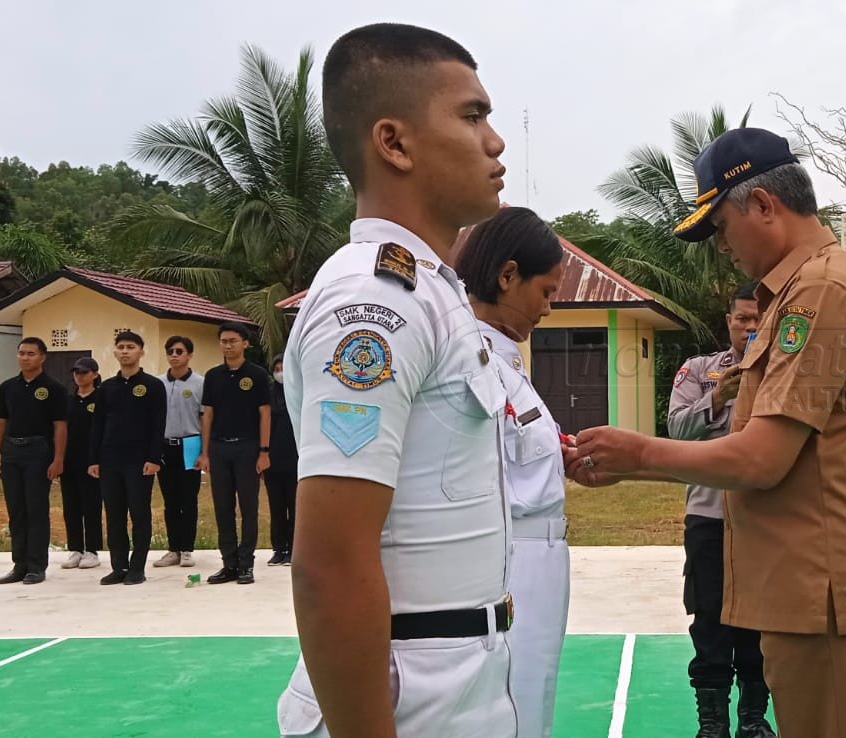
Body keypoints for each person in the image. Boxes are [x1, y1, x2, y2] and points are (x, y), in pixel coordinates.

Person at [570, 128, 846, 738]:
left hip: (822, 587)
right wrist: (628, 464)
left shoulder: (819, 292)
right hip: (803, 584)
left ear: (763, 206)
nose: (721, 246)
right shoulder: (794, 292)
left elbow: (762, 459)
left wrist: (637, 451)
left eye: (721, 226)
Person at [276, 23, 516, 738]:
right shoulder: (375, 304)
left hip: (457, 680)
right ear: (395, 143)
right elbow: (328, 566)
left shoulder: (432, 291)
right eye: (473, 116)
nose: (495, 141)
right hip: (408, 699)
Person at [454, 206, 572, 738]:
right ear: (507, 276)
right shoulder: (467, 359)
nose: (549, 307)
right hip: (509, 560)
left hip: (540, 556)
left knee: (534, 692)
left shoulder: (507, 362)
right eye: (545, 292)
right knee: (511, 703)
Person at [667, 281, 775, 738]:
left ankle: (753, 719)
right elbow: (675, 429)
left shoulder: (784, 373)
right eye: (742, 318)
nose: (750, 327)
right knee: (709, 621)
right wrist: (718, 398)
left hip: (764, 519)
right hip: (709, 518)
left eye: (758, 319)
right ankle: (711, 724)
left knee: (760, 622)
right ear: (728, 321)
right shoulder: (698, 371)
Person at [88, 331, 168, 586]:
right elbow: (97, 425)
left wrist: (154, 458)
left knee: (139, 514)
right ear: (115, 352)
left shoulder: (153, 386)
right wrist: (94, 459)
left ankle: (137, 568)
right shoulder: (106, 388)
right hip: (110, 460)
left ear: (141, 351)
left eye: (130, 347)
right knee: (114, 515)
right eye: (120, 347)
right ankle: (118, 566)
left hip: (140, 461)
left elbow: (158, 424)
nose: (125, 351)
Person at [196, 323, 271, 586]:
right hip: (219, 447)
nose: (228, 345)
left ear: (245, 344)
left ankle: (246, 565)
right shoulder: (213, 376)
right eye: (224, 341)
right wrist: (204, 453)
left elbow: (265, 413)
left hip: (248, 447)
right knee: (222, 507)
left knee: (248, 508)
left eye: (233, 341)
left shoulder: (257, 374)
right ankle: (229, 564)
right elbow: (208, 415)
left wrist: (264, 451)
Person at [0, 337, 68, 585]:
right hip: (12, 451)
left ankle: (36, 566)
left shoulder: (54, 388)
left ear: (42, 357)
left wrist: (58, 459)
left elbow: (60, 427)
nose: (25, 358)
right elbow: (0, 423)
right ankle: (19, 565)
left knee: (36, 509)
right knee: (16, 511)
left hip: (39, 451)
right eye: (21, 353)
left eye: (31, 354)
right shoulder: (7, 387)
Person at [155, 335, 204, 569]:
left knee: (188, 500)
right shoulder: (158, 384)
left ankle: (187, 549)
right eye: (170, 351)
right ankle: (173, 548)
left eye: (179, 351)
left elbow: (205, 418)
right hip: (165, 446)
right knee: (170, 501)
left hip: (190, 445)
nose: (174, 355)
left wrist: (205, 452)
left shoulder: (200, 383)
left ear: (189, 355)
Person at [58, 356, 103, 571]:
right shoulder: (68, 400)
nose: (79, 376)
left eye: (84, 372)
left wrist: (98, 459)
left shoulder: (101, 399)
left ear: (94, 374)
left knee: (91, 506)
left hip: (91, 463)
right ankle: (75, 548)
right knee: (71, 507)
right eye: (76, 372)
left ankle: (92, 550)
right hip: (69, 462)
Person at [265, 356, 297, 567]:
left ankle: (294, 549)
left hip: (296, 459)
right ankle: (279, 549)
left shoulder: (299, 393)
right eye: (276, 369)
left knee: (295, 507)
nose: (280, 373)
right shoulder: (268, 395)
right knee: (276, 508)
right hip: (272, 460)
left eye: (283, 368)